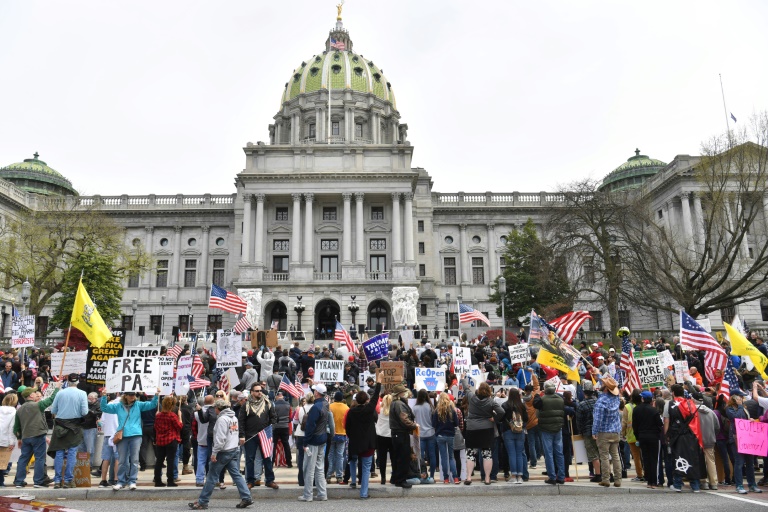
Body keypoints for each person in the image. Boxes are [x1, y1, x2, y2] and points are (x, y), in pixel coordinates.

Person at [188, 399, 253, 510]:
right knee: (236, 475)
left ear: (218, 408)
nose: (214, 410)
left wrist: (214, 453)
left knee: (211, 476)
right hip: (233, 448)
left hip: (224, 451)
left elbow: (220, 438)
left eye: (215, 408)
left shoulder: (222, 419)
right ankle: (246, 497)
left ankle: (203, 501)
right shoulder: (234, 418)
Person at [100, 389, 159, 491]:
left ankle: (132, 481)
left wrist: (156, 395)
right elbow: (104, 408)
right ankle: (121, 481)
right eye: (130, 395)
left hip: (135, 434)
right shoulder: (118, 406)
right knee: (122, 460)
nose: (132, 396)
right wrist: (104, 396)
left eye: (134, 395)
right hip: (123, 435)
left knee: (134, 460)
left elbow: (152, 405)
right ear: (125, 396)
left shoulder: (138, 405)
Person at [13, 383, 60, 488]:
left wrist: (19, 438)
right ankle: (38, 481)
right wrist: (57, 388)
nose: (35, 393)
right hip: (38, 435)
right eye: (34, 392)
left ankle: (19, 481)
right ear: (30, 396)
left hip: (26, 437)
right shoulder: (38, 405)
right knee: (40, 458)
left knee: (23, 459)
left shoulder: (19, 409)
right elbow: (51, 399)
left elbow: (16, 427)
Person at [49, 373, 89, 489]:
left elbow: (54, 410)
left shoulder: (60, 393)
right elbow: (84, 412)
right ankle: (68, 480)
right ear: (77, 382)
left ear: (67, 381)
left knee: (59, 452)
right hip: (75, 426)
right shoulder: (82, 393)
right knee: (72, 453)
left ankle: (57, 480)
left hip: (60, 425)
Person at [345, 381, 382, 499]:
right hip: (368, 443)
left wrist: (352, 436)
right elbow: (376, 397)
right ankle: (363, 493)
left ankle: (353, 481)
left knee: (353, 460)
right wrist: (379, 383)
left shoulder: (351, 411)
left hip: (355, 442)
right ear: (366, 400)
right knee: (366, 468)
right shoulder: (369, 410)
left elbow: (348, 427)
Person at [238, 383, 279, 489]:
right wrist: (242, 435)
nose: (259, 392)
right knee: (249, 459)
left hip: (265, 435)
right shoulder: (245, 405)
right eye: (257, 391)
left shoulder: (268, 403)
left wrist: (271, 429)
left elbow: (274, 418)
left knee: (267, 458)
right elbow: (241, 421)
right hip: (250, 436)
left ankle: (269, 480)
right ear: (251, 392)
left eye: (260, 390)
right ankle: (250, 481)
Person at [464, 381, 504, 485]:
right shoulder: (491, 401)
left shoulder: (472, 398)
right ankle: (487, 478)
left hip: (472, 428)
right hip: (486, 429)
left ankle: (468, 477)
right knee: (487, 454)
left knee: (470, 453)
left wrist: (463, 378)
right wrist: (494, 418)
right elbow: (501, 412)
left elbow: (465, 388)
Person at [665, 384, 703, 493]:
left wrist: (666, 435)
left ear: (673, 393)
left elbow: (666, 421)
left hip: (676, 435)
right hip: (691, 434)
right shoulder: (691, 404)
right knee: (693, 459)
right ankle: (695, 485)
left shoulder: (670, 404)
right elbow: (695, 421)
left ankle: (677, 484)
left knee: (677, 457)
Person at [300, 383, 332, 502]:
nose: (313, 392)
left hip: (313, 440)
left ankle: (308, 495)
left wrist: (305, 442)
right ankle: (322, 493)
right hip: (322, 438)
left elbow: (310, 426)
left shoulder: (316, 407)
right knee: (319, 468)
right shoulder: (325, 404)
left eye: (314, 391)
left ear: (317, 393)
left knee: (309, 468)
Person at [725, 393, 762, 494]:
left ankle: (752, 484)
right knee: (739, 462)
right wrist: (740, 406)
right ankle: (739, 485)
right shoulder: (730, 409)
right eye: (739, 398)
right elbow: (736, 417)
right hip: (736, 438)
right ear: (734, 399)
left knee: (750, 462)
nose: (741, 399)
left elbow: (744, 419)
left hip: (746, 438)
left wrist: (751, 420)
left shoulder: (744, 408)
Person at [592, 377, 622, 488]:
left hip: (604, 431)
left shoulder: (601, 401)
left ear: (604, 388)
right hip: (615, 430)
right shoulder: (616, 399)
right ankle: (618, 479)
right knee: (615, 455)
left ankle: (606, 479)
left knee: (604, 456)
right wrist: (598, 376)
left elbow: (598, 419)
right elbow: (608, 384)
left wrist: (594, 431)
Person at [534, 382, 565, 485]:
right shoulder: (560, 399)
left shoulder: (543, 400)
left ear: (545, 389)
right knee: (559, 453)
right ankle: (561, 476)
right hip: (558, 428)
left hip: (546, 429)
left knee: (549, 453)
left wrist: (538, 394)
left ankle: (552, 476)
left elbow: (535, 404)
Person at [632, 390, 663, 489]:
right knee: (654, 459)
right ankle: (654, 481)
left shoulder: (636, 409)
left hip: (642, 436)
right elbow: (659, 424)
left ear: (642, 399)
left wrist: (637, 436)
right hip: (653, 436)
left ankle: (649, 480)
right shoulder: (654, 410)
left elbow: (634, 425)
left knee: (646, 458)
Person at [389, 384, 418, 488]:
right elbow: (404, 419)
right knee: (403, 457)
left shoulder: (395, 403)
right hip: (401, 433)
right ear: (400, 393)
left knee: (397, 457)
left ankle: (396, 478)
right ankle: (401, 480)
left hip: (396, 433)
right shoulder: (399, 404)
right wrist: (414, 425)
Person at [154, 396, 183, 487]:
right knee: (170, 461)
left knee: (159, 461)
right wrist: (180, 417)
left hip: (160, 440)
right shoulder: (172, 416)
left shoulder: (158, 416)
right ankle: (170, 480)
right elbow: (179, 427)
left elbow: (155, 427)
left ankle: (157, 480)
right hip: (171, 440)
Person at [501, 388, 528, 484]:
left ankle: (513, 476)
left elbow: (501, 417)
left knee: (511, 453)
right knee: (519, 454)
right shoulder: (522, 406)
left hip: (508, 431)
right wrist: (522, 426)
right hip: (520, 431)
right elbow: (526, 419)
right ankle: (520, 476)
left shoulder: (505, 405)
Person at [432, 392, 460, 484]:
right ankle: (455, 477)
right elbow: (456, 423)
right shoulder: (452, 409)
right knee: (451, 457)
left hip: (440, 435)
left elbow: (434, 424)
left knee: (444, 458)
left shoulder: (436, 411)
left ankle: (446, 478)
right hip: (450, 435)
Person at [576, 383, 601, 482]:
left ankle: (598, 474)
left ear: (584, 392)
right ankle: (606, 473)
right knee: (602, 453)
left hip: (588, 432)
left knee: (593, 455)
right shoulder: (599, 402)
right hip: (600, 431)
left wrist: (580, 431)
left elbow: (579, 421)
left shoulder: (581, 405)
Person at [96, 393, 120, 488]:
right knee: (117, 458)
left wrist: (99, 423)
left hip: (108, 434)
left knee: (106, 458)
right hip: (118, 434)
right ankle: (116, 479)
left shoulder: (106, 408)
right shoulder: (119, 406)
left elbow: (102, 422)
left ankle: (103, 480)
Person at [412, 389, 437, 483]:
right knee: (432, 455)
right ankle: (432, 475)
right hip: (431, 432)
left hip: (420, 434)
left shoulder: (415, 408)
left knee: (420, 456)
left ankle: (421, 474)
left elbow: (413, 420)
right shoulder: (431, 406)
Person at [622, 389, 644, 482]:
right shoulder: (643, 406)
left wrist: (623, 433)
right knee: (644, 456)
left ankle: (639, 475)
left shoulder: (627, 407)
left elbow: (624, 422)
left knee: (636, 457)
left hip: (631, 435)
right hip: (643, 434)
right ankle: (647, 473)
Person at [327, 391, 349, 483]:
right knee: (340, 455)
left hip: (331, 434)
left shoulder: (330, 407)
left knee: (330, 454)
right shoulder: (346, 408)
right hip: (342, 434)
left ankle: (328, 474)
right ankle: (339, 476)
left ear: (334, 398)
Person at [194, 395, 214, 487]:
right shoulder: (215, 412)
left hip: (201, 439)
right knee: (212, 460)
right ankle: (211, 479)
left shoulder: (196, 413)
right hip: (212, 440)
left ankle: (199, 479)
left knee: (201, 461)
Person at [294, 394, 314, 487]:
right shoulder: (315, 408)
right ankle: (311, 480)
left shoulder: (300, 409)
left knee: (301, 458)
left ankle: (301, 480)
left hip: (300, 433)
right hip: (312, 434)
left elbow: (295, 421)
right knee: (312, 458)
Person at [79, 392, 101, 472]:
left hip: (91, 428)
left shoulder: (98, 405)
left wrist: (89, 411)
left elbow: (98, 414)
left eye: (92, 398)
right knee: (81, 448)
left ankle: (89, 465)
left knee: (90, 449)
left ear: (96, 398)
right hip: (81, 427)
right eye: (89, 397)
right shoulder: (84, 404)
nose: (90, 399)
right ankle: (82, 464)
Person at [0, 393, 19, 487]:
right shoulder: (14, 412)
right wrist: (12, 442)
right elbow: (12, 428)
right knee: (2, 462)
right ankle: (0, 482)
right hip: (5, 440)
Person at [375, 394, 393, 485]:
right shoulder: (393, 411)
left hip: (381, 435)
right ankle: (393, 476)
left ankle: (383, 477)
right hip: (391, 436)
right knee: (394, 457)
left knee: (382, 458)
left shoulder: (380, 411)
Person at [272, 392, 292, 468]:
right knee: (286, 444)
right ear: (282, 396)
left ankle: (272, 461)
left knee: (273, 445)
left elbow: (272, 416)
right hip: (285, 426)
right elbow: (290, 417)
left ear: (277, 397)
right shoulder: (288, 405)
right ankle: (289, 462)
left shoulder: (274, 405)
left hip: (276, 427)